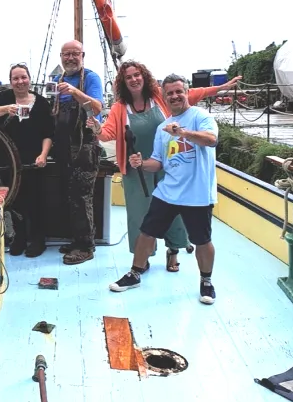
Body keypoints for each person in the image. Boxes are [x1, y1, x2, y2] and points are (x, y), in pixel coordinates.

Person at [88, 61, 240, 271]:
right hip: (137, 167)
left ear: (144, 77)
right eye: (128, 77)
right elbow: (107, 133)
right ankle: (143, 258)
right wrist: (97, 129)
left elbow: (194, 93)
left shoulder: (160, 97)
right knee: (140, 215)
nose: (134, 79)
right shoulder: (119, 108)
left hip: (169, 165)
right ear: (122, 82)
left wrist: (221, 87)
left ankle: (173, 250)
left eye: (137, 75)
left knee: (175, 212)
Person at [109, 74, 219, 304]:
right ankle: (135, 273)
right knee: (146, 232)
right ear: (164, 97)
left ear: (186, 92)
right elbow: (158, 163)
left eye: (179, 91)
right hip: (168, 191)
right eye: (169, 93)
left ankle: (206, 282)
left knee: (202, 240)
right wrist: (141, 163)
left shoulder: (201, 116)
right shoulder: (162, 128)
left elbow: (211, 140)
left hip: (197, 193)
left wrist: (183, 133)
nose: (174, 96)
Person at [0, 63, 54, 257]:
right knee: (14, 201)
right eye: (16, 78)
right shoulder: (4, 98)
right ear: (11, 81)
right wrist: (7, 109)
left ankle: (38, 240)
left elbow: (48, 133)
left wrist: (43, 155)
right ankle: (20, 238)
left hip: (33, 161)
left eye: (23, 77)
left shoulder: (41, 103)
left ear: (29, 79)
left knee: (36, 201)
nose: (20, 81)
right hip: (8, 162)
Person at [50, 40, 103, 265]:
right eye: (66, 54)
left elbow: (97, 107)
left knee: (82, 197)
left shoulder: (91, 78)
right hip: (63, 147)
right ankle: (76, 240)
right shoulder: (56, 80)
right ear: (61, 57)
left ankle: (86, 246)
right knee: (69, 196)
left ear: (83, 56)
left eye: (75, 54)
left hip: (84, 146)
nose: (70, 58)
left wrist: (74, 92)